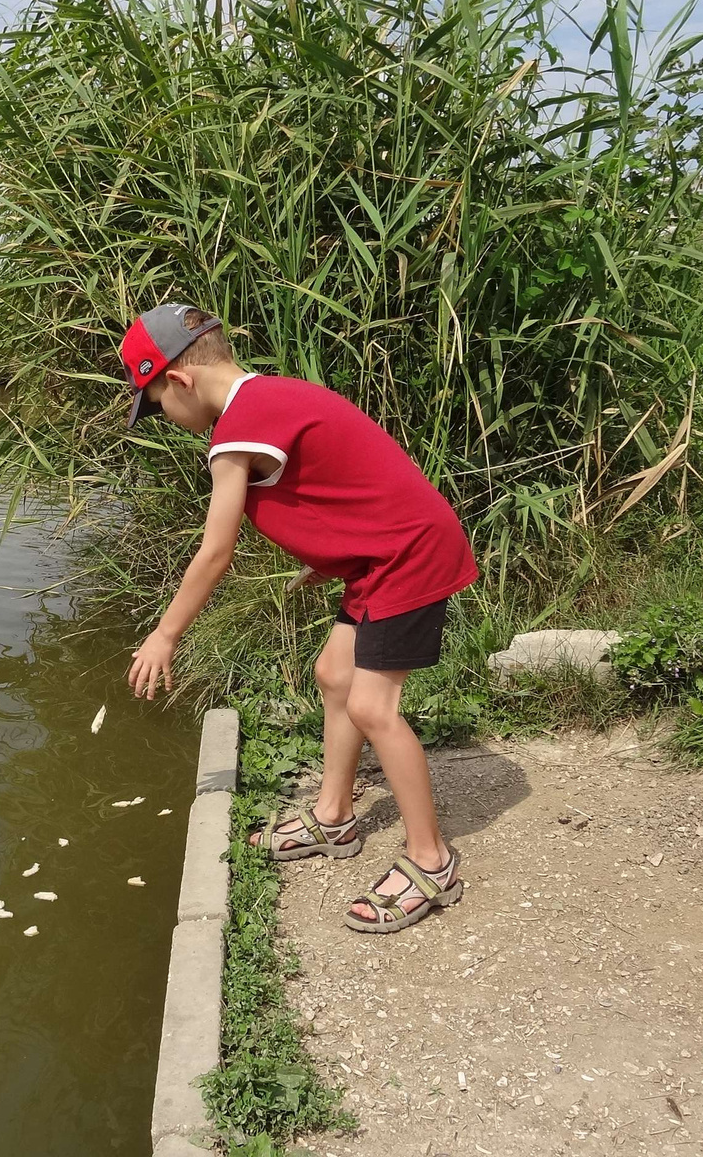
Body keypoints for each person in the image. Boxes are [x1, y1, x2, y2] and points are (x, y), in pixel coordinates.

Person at [120, 303, 478, 933]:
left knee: (373, 707)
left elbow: (216, 551)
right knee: (334, 674)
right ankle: (335, 815)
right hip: (380, 557)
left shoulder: (237, 427)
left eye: (153, 405)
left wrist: (164, 633)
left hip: (408, 557)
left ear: (179, 380)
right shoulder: (267, 400)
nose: (164, 420)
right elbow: (345, 481)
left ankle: (432, 860)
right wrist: (330, 552)